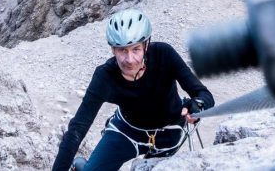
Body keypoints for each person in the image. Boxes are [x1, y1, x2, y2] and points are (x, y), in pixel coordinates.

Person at [51, 9, 215, 171]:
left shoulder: (164, 55)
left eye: (135, 49)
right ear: (113, 50)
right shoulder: (105, 77)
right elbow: (77, 130)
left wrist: (198, 105)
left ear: (146, 45)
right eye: (122, 50)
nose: (129, 59)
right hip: (125, 131)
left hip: (169, 133)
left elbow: (204, 95)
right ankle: (81, 166)